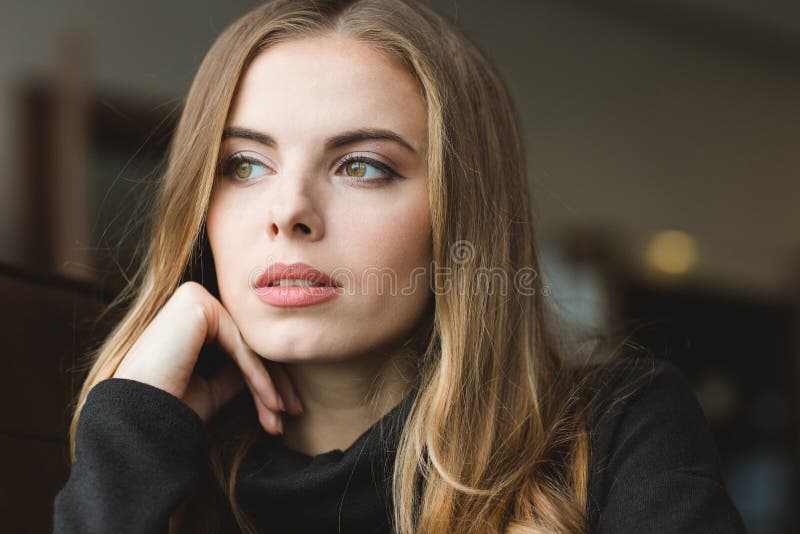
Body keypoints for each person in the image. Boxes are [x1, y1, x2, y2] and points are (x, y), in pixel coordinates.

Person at [52, 0, 747, 532]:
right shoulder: (157, 464)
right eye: (244, 164)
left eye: (363, 166)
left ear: (459, 214)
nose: (288, 211)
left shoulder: (620, 430)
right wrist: (131, 434)